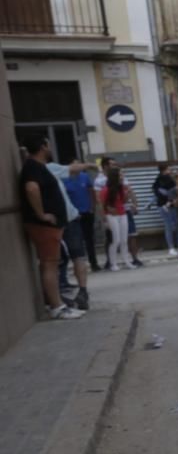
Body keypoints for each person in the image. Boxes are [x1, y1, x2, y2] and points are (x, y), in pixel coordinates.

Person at [19, 136, 85, 319]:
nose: (50, 148)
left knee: (50, 264)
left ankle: (54, 302)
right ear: (42, 147)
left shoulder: (37, 167)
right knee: (50, 264)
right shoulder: (33, 167)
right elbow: (32, 189)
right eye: (48, 144)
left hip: (49, 225)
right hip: (44, 225)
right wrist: (42, 214)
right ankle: (57, 306)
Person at [45, 153, 92, 311]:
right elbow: (74, 168)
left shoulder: (32, 172)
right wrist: (89, 165)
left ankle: (61, 293)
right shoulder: (49, 168)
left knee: (58, 259)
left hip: (57, 220)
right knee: (75, 256)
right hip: (66, 220)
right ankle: (81, 291)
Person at [64, 158, 101, 272]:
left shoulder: (85, 177)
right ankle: (80, 265)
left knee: (89, 239)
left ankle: (93, 263)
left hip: (86, 212)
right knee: (76, 240)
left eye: (79, 164)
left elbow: (91, 192)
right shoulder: (64, 179)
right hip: (74, 215)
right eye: (75, 165)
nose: (77, 167)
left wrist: (92, 207)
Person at [98, 166, 135, 270]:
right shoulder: (105, 190)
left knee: (124, 240)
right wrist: (104, 219)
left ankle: (126, 261)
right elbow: (102, 205)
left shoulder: (121, 188)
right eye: (120, 174)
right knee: (116, 240)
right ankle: (113, 263)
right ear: (115, 176)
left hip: (122, 214)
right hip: (111, 216)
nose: (122, 176)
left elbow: (123, 201)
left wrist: (127, 193)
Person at [153, 162, 178, 256]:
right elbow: (162, 193)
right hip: (164, 205)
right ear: (164, 170)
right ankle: (171, 247)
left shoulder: (169, 179)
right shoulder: (160, 180)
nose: (170, 171)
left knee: (176, 225)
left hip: (172, 205)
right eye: (169, 169)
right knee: (168, 226)